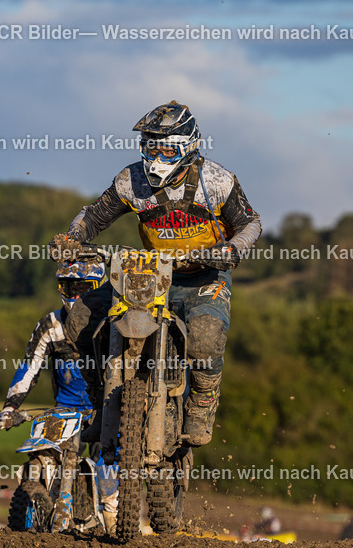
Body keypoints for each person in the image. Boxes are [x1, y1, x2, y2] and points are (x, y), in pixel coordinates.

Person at [53, 100, 262, 449]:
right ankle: (97, 402)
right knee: (79, 320)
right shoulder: (131, 180)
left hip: (204, 276)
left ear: (187, 147)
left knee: (205, 339)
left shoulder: (217, 180)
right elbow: (94, 216)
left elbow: (250, 223)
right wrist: (72, 239)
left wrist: (232, 249)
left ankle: (201, 404)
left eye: (166, 148)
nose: (157, 156)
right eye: (150, 146)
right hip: (149, 274)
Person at [0, 259, 119, 532]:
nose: (76, 294)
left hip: (106, 408)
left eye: (84, 287)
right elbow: (29, 367)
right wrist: (9, 409)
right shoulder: (51, 325)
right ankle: (41, 513)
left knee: (111, 462)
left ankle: (115, 518)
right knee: (42, 453)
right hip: (66, 410)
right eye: (69, 288)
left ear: (99, 287)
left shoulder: (114, 324)